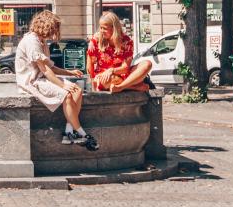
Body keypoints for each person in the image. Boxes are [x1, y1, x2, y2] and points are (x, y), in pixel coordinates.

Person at [15, 10, 96, 150]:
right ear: (47, 26)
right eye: (54, 28)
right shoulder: (31, 42)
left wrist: (68, 72)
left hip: (41, 79)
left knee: (77, 90)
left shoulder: (41, 41)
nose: (55, 32)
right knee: (68, 95)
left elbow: (50, 67)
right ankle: (82, 133)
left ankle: (68, 132)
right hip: (32, 83)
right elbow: (46, 70)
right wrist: (62, 86)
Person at [87, 11, 153, 94]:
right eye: (101, 28)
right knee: (106, 80)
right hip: (104, 77)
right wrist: (92, 81)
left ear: (114, 28)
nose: (102, 31)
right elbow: (90, 63)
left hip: (124, 75)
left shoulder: (127, 41)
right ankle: (132, 87)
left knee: (147, 64)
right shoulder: (96, 40)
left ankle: (120, 87)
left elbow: (125, 68)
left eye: (105, 28)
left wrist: (111, 70)